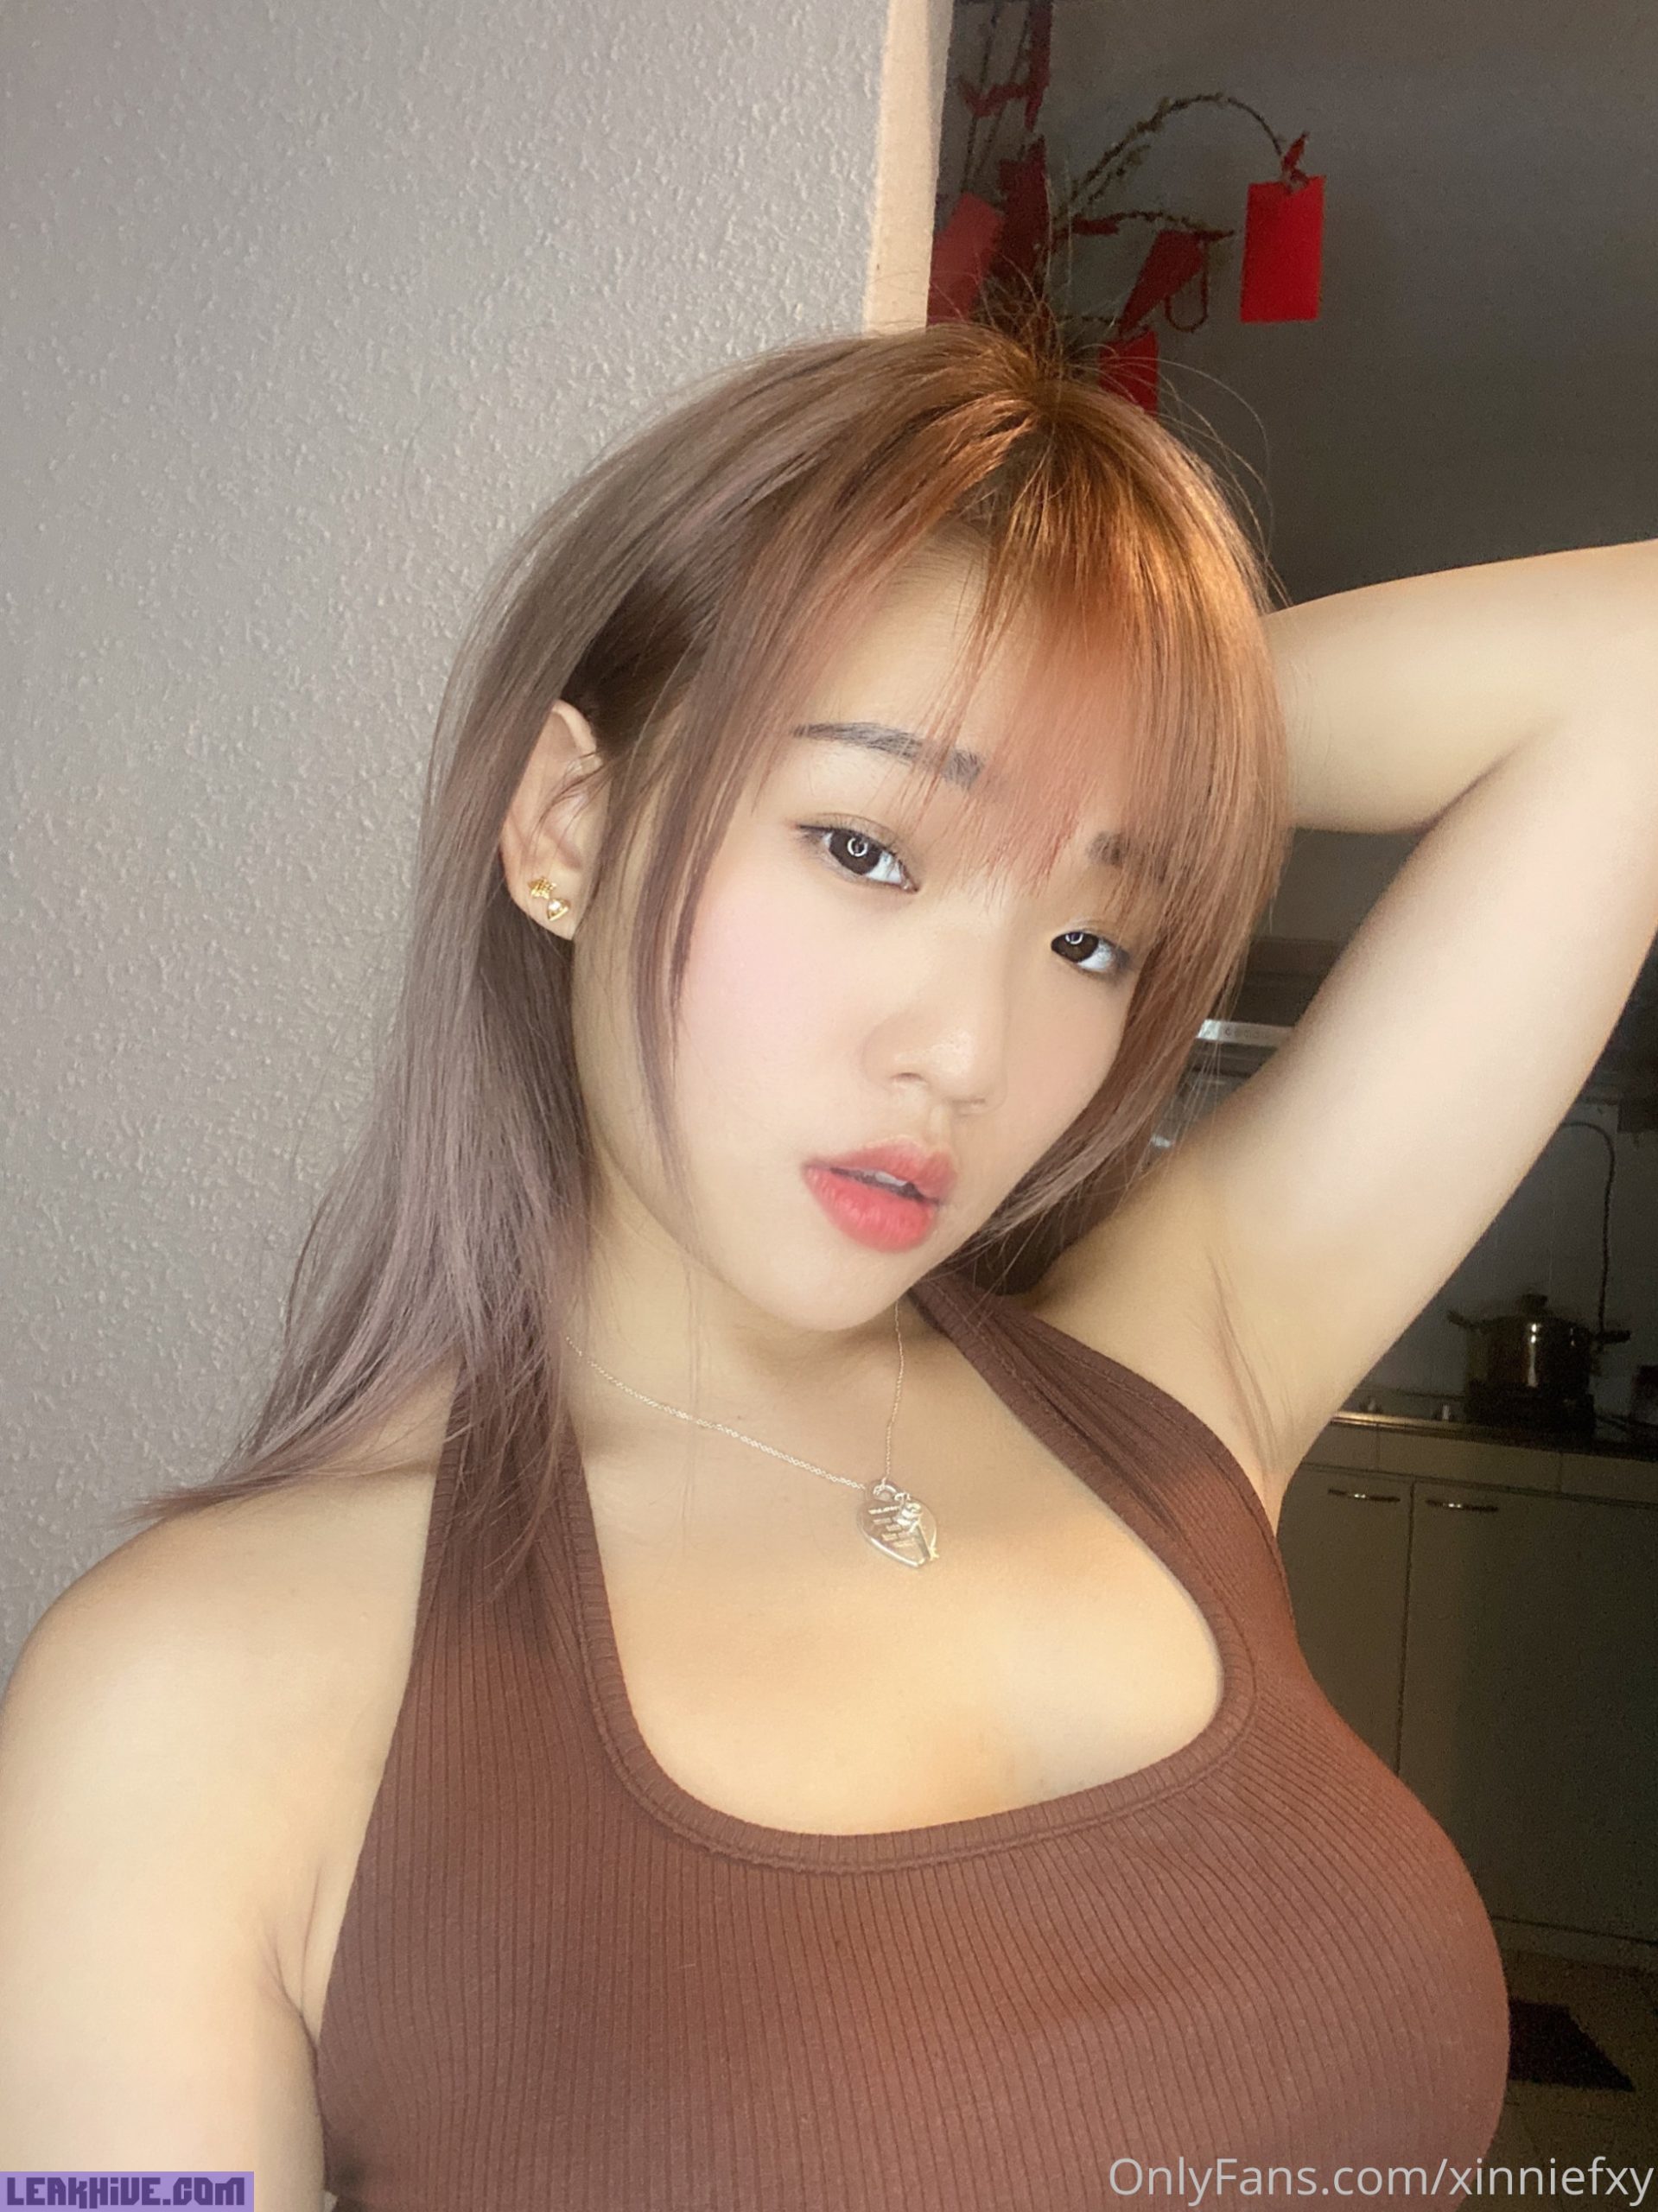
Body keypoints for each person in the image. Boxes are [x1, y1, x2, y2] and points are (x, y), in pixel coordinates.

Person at [0, 315, 1654, 2207]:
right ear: (568, 824)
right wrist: (1063, 767)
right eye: (866, 848)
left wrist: (1116, 744)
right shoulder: (194, 1690)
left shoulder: (1166, 1391)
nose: (968, 1049)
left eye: (1092, 939)